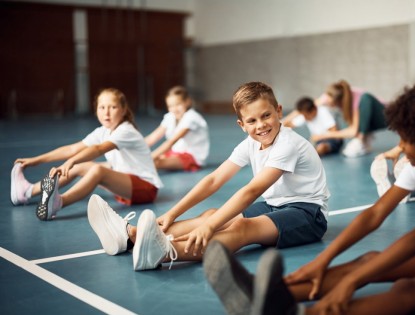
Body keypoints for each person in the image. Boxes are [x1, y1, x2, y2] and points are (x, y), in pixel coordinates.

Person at [202, 76, 415, 315]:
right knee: (368, 260)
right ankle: (265, 296)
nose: (398, 147)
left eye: (405, 140)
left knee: (409, 291)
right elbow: (374, 214)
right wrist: (322, 261)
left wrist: (350, 283)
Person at [87, 81, 330, 276]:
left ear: (279, 112)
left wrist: (209, 228)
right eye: (252, 121)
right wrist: (174, 213)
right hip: (275, 205)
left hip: (307, 214)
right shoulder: (251, 143)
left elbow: (251, 191)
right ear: (241, 125)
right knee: (210, 214)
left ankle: (162, 252)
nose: (261, 125)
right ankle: (131, 236)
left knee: (240, 227)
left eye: (266, 115)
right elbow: (213, 180)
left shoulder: (287, 144)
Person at [10, 88, 163, 221]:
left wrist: (71, 162)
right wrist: (35, 160)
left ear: (123, 110)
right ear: (96, 110)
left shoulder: (126, 130)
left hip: (146, 189)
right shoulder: (102, 131)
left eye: (113, 107)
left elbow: (98, 150)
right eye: (102, 107)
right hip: (125, 186)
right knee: (81, 166)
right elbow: (71, 150)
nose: (106, 112)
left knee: (97, 170)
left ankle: (59, 202)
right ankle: (27, 191)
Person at [314, 80, 388, 158]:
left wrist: (325, 135)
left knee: (366, 98)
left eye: (332, 104)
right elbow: (312, 104)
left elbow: (353, 132)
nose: (329, 105)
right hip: (369, 118)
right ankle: (365, 137)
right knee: (346, 118)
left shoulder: (359, 100)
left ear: (339, 102)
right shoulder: (330, 95)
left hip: (384, 116)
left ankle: (362, 137)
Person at [145, 86, 209, 171]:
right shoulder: (170, 117)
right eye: (170, 106)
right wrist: (133, 147)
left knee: (154, 162)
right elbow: (153, 137)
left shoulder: (192, 117)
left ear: (187, 102)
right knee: (150, 160)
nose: (174, 109)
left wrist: (149, 157)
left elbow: (172, 141)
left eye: (178, 104)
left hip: (191, 157)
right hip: (174, 153)